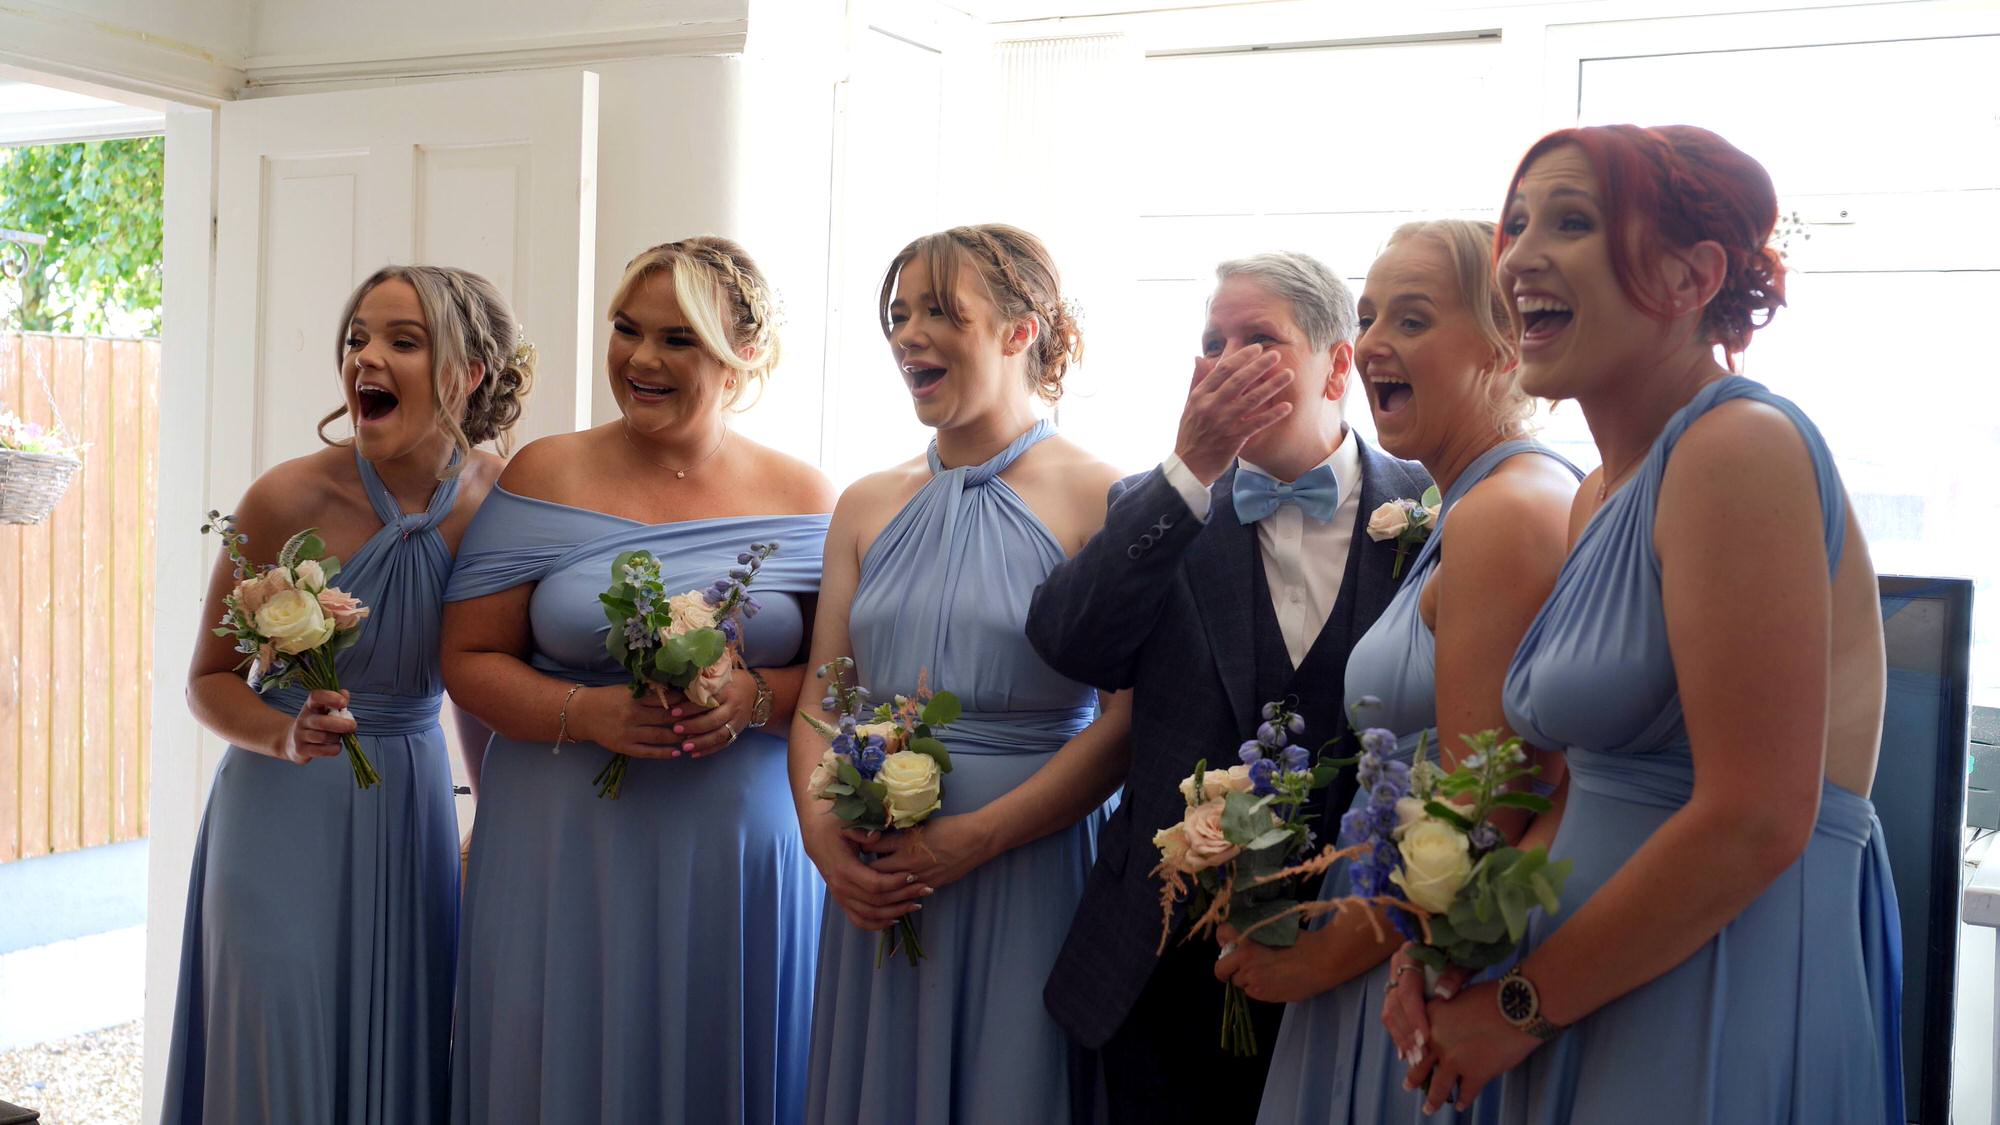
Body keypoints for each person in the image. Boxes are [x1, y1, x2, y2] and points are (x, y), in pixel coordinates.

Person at [1387, 124, 1902, 1124]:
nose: (1520, 254)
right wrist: (1450, 942)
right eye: (1517, 222)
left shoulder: (1735, 449)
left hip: (1711, 981)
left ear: (1689, 274)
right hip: (1593, 982)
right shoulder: (1600, 493)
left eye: (1570, 222)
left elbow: (1751, 818)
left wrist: (1520, 1006)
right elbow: (1569, 782)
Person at [1027, 250, 1431, 1122]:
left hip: (1357, 951)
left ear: (1338, 363)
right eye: (1214, 343)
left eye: (1261, 338)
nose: (1229, 360)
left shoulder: (1433, 508)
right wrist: (1187, 471)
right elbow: (1071, 643)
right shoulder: (1157, 505)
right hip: (1162, 961)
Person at [440, 237, 834, 1125]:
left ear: (744, 358)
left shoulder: (806, 493)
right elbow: (466, 658)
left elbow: (842, 673)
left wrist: (758, 694)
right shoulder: (547, 470)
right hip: (564, 848)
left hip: (737, 853)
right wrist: (586, 712)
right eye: (627, 329)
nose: (642, 358)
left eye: (678, 338)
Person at [163, 264, 529, 1124]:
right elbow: (207, 679)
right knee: (274, 1041)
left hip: (410, 805)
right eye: (359, 336)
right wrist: (286, 736)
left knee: (404, 1044)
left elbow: (478, 679)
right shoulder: (286, 495)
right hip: (278, 813)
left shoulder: (498, 497)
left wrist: (501, 821)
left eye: (403, 340)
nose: (366, 356)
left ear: (467, 373)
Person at [1242, 220, 1580, 1124]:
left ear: (1507, 342)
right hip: (1384, 927)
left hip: (1416, 950)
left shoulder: (1505, 512)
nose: (1377, 341)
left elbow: (1490, 806)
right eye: (1371, 313)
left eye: (1415, 319)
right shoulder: (1470, 499)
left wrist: (1315, 961)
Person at [797, 224, 1132, 1124]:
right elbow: (823, 700)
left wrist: (975, 837)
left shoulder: (1105, 498)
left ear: (1024, 328)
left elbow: (1128, 720)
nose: (907, 334)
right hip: (876, 875)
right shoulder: (866, 501)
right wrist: (824, 841)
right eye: (898, 314)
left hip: (1029, 869)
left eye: (939, 311)